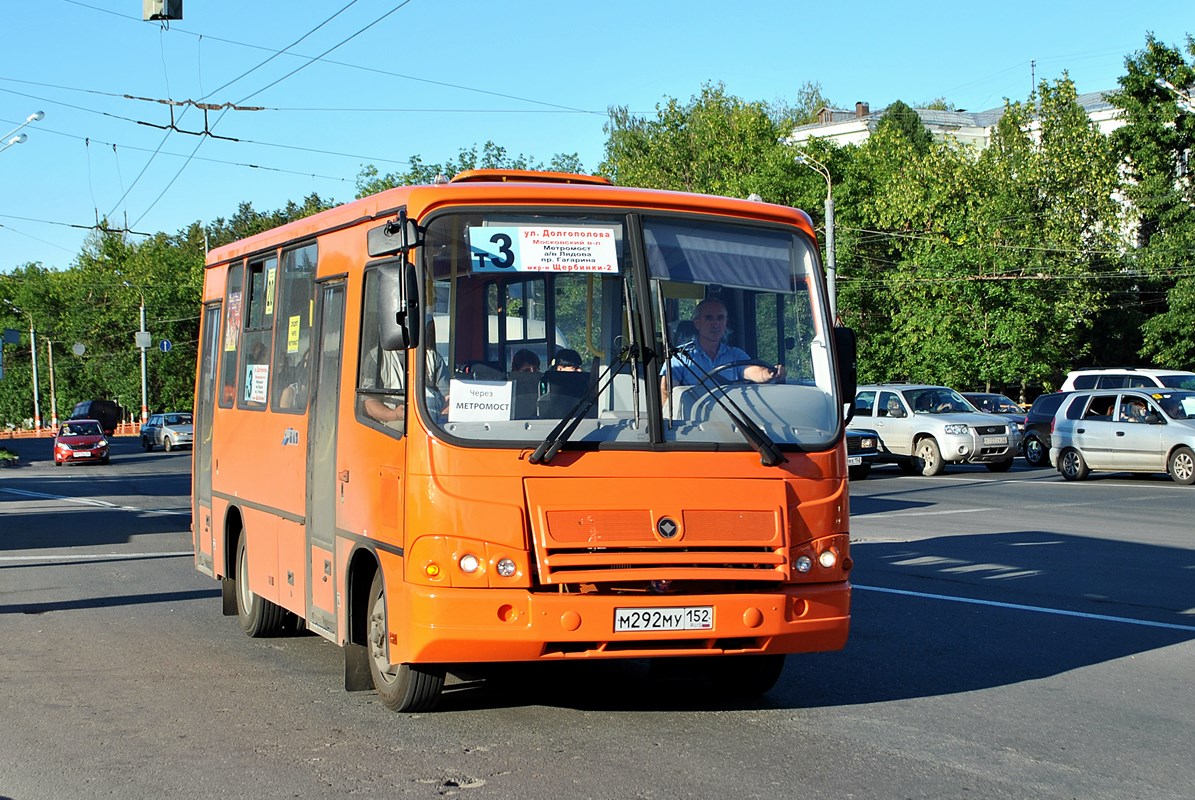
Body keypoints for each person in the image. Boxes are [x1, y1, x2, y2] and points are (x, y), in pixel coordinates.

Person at [660, 297, 785, 392]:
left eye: (720, 318)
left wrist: (769, 373)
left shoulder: (735, 355)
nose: (715, 323)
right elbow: (667, 392)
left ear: (726, 322)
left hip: (731, 419)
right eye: (709, 318)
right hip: (694, 420)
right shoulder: (680, 357)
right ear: (697, 323)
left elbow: (751, 371)